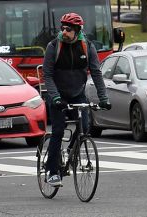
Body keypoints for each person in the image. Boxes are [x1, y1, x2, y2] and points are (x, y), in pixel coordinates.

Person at [41, 12, 110, 187]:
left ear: (78, 30)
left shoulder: (87, 46)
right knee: (58, 131)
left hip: (77, 92)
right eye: (62, 28)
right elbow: (47, 75)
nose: (64, 31)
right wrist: (55, 97)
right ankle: (52, 172)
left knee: (85, 128)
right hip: (56, 93)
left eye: (68, 29)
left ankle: (71, 152)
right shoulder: (53, 46)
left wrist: (104, 98)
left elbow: (96, 72)